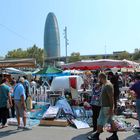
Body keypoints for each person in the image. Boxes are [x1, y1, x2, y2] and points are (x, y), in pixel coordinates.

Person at [89, 72, 119, 140]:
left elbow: (111, 98)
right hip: (106, 106)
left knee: (100, 121)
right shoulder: (105, 84)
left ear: (101, 78)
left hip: (106, 107)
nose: (99, 80)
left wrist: (111, 109)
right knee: (111, 121)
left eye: (99, 78)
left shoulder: (108, 85)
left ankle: (97, 135)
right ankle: (115, 136)